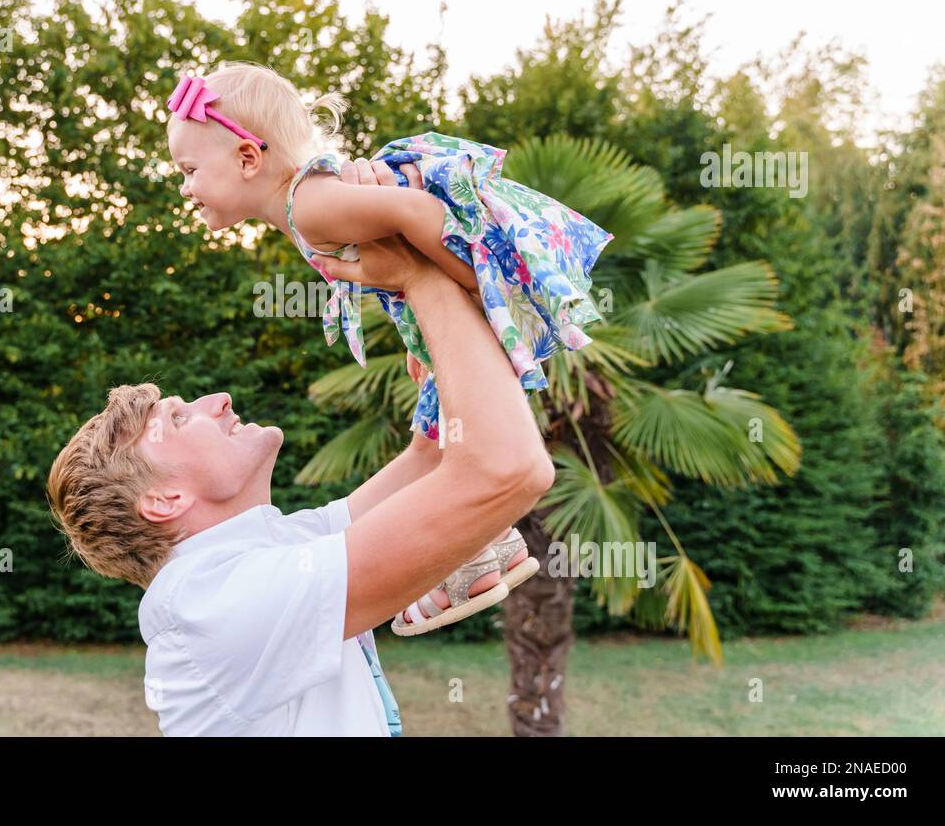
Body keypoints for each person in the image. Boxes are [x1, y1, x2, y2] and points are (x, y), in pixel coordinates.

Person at [46, 183, 555, 735]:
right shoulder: (210, 604)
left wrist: (431, 337)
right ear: (164, 499)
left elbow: (433, 456)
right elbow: (507, 469)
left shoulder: (274, 549)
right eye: (175, 419)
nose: (218, 401)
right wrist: (420, 276)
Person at [163, 62, 611, 631]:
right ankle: (486, 549)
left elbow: (418, 213)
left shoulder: (309, 207)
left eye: (190, 169)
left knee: (453, 432)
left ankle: (474, 554)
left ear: (248, 160)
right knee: (440, 427)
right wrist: (422, 334)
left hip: (477, 262)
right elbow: (396, 255)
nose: (185, 186)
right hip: (451, 282)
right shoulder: (304, 208)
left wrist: (475, 290)